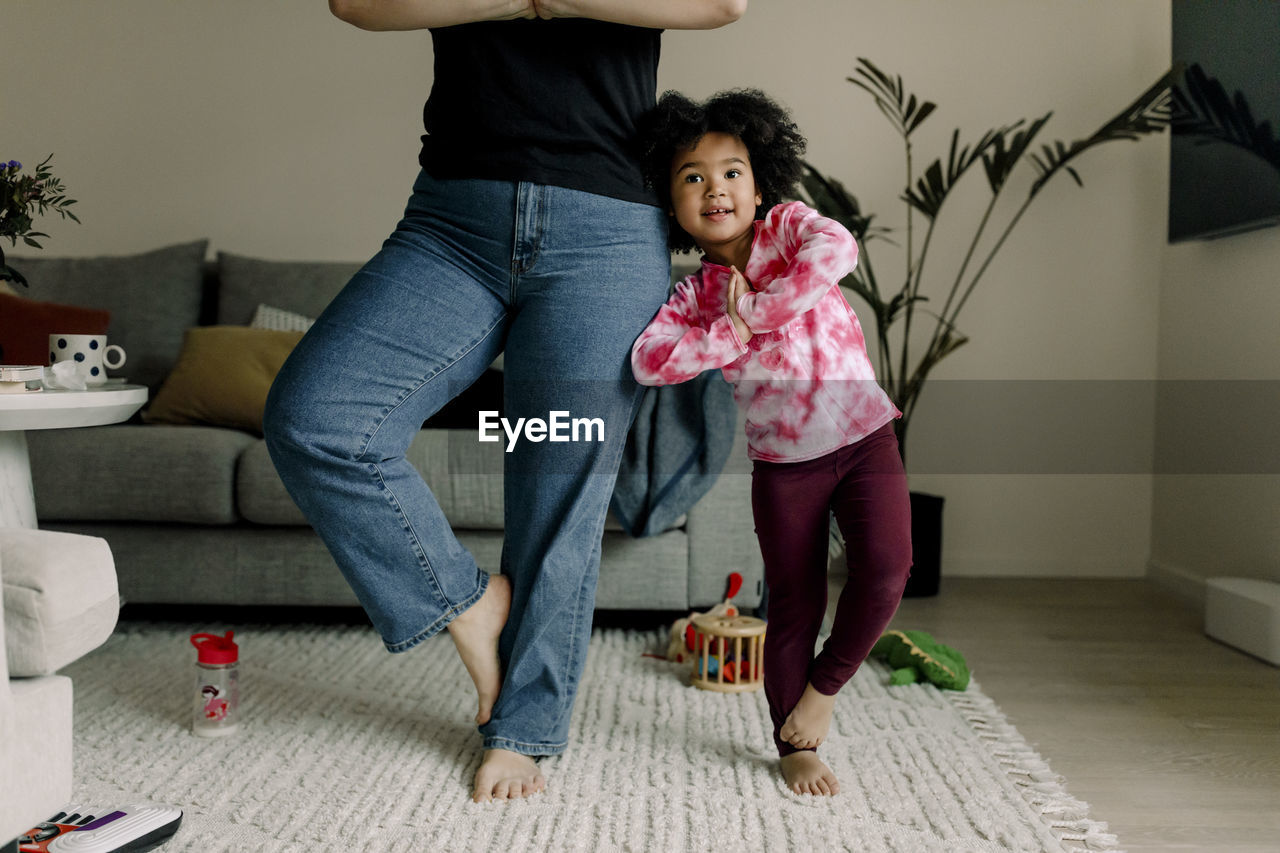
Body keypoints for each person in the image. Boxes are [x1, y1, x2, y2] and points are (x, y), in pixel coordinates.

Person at [263, 1, 746, 804]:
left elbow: (721, 1)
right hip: (453, 222)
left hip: (608, 228)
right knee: (315, 417)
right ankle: (468, 600)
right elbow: (357, 2)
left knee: (558, 485)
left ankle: (523, 728)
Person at [630, 89, 913, 796]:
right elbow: (649, 360)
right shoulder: (695, 295)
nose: (715, 187)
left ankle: (824, 688)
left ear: (760, 185)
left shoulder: (789, 230)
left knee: (885, 571)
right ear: (672, 203)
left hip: (863, 434)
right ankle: (792, 741)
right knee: (793, 604)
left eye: (731, 170)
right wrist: (733, 330)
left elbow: (838, 248)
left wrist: (756, 309)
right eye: (692, 176)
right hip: (784, 466)